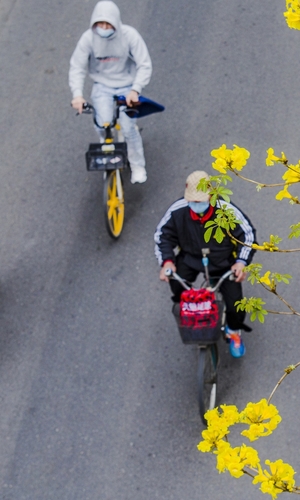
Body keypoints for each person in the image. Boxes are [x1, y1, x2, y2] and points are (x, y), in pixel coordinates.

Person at [154, 171, 256, 357]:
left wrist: (241, 262)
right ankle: (190, 309)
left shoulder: (226, 210)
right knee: (177, 284)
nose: (196, 205)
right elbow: (163, 236)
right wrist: (167, 262)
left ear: (211, 196)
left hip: (223, 262)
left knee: (235, 305)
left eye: (200, 201)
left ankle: (233, 331)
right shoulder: (177, 211)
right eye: (193, 201)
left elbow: (247, 236)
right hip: (190, 258)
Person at [69, 0, 152, 184]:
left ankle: (137, 165)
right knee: (102, 124)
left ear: (116, 22)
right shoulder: (88, 39)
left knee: (128, 128)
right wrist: (77, 94)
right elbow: (77, 67)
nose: (104, 28)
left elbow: (144, 64)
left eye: (108, 24)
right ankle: (108, 147)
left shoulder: (130, 35)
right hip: (102, 86)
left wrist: (135, 89)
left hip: (127, 85)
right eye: (100, 24)